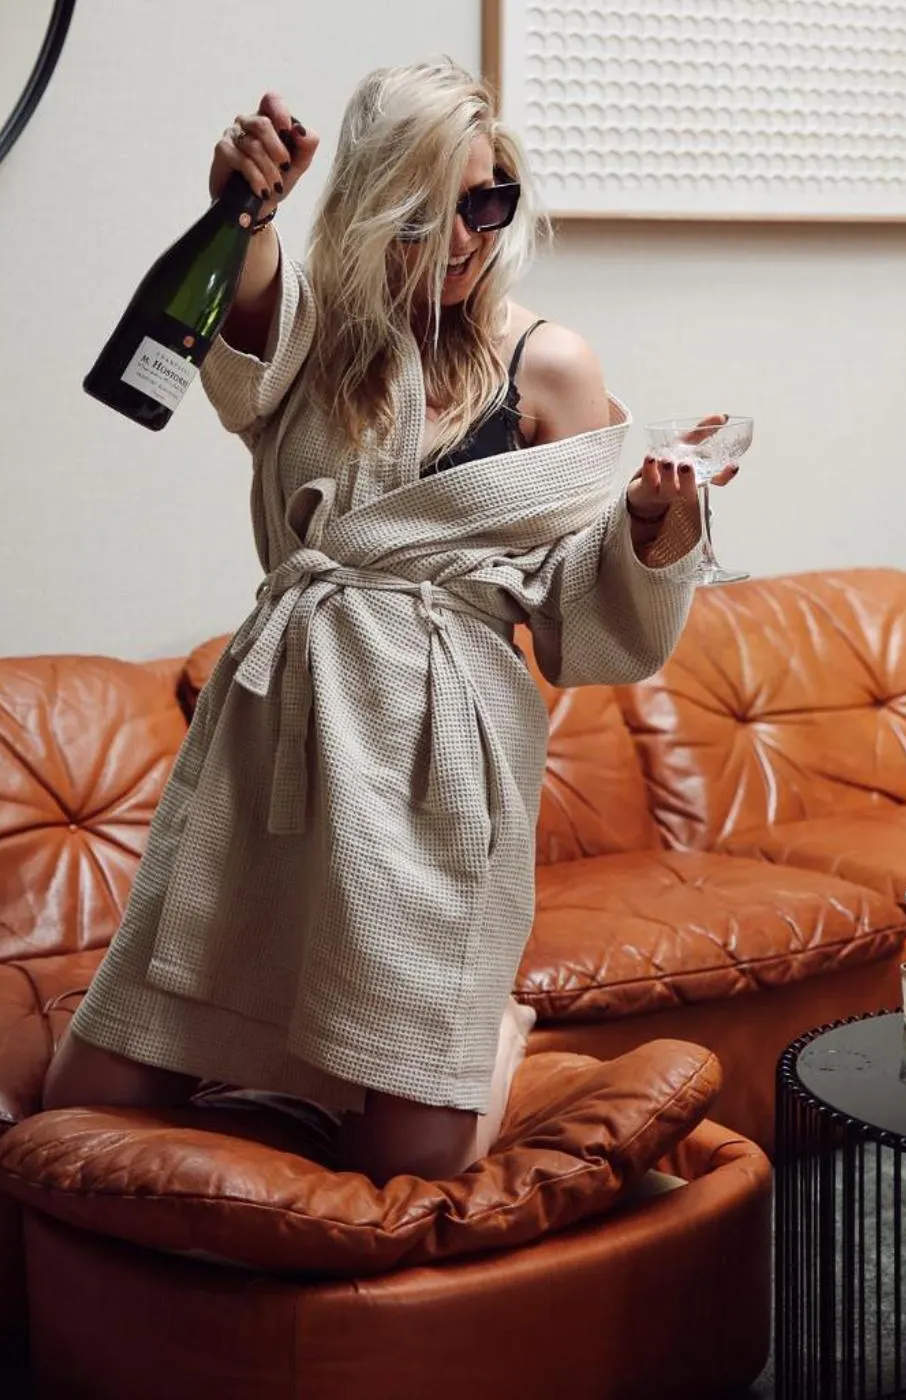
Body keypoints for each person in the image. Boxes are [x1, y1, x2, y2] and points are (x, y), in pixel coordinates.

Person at [47, 58, 737, 1181]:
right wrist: (246, 206)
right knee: (81, 1098)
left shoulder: (546, 362)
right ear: (371, 202)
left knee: (410, 1158)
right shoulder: (319, 333)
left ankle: (488, 1027)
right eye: (426, 211)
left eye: (486, 200)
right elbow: (249, 311)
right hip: (274, 742)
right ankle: (287, 1054)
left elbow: (578, 605)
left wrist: (657, 520)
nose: (463, 236)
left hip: (437, 759)